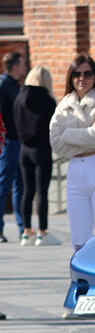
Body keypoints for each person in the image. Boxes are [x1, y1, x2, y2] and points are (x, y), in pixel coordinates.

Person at [49, 55, 95, 251]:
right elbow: (56, 143)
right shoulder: (64, 104)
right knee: (79, 237)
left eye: (87, 73)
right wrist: (86, 135)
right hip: (75, 171)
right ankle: (82, 279)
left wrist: (69, 133)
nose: (82, 78)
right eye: (77, 74)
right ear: (70, 77)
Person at [14, 66, 59, 246]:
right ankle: (43, 232)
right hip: (41, 149)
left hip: (24, 149)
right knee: (42, 193)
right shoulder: (48, 101)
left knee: (27, 191)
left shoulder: (19, 99)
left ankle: (26, 232)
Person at [0, 52, 27, 242]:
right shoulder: (3, 85)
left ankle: (23, 228)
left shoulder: (16, 86)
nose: (25, 67)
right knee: (3, 185)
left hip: (20, 141)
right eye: (23, 64)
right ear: (15, 66)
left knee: (21, 187)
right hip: (9, 142)